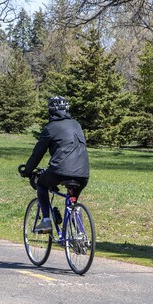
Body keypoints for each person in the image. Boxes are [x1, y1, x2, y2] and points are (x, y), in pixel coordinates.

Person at [19, 96, 89, 233]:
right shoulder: (76, 124)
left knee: (42, 184)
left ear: (50, 111)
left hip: (60, 171)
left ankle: (46, 221)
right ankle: (80, 233)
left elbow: (37, 154)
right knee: (72, 202)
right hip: (83, 173)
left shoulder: (50, 128)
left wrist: (27, 171)